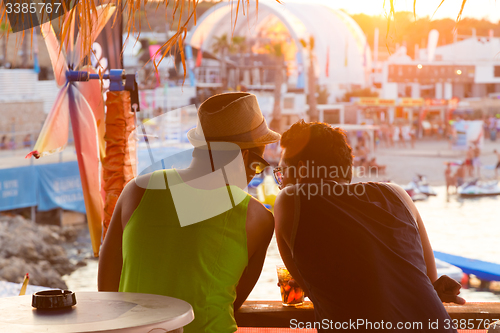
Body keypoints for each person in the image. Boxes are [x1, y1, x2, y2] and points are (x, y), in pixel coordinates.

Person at [98, 93, 280, 333]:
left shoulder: (136, 190)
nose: (255, 174)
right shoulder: (258, 218)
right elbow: (231, 301)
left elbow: (107, 289)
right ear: (242, 157)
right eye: (258, 164)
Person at [273, 121, 464, 332]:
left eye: (281, 173)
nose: (280, 183)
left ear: (301, 171)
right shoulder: (399, 195)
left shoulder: (291, 200)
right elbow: (431, 281)